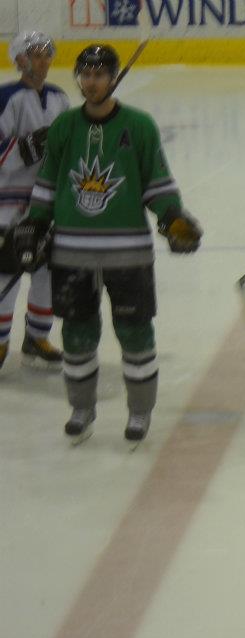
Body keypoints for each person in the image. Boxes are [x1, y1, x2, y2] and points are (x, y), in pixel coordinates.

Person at [12, 44, 201, 443]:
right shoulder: (65, 127)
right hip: (72, 252)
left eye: (100, 75)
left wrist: (172, 217)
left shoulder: (140, 126)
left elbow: (157, 184)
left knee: (135, 332)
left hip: (127, 253)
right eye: (85, 74)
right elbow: (48, 183)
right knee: (77, 335)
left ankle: (139, 412)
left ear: (113, 78)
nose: (91, 82)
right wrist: (35, 222)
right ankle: (81, 407)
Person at [0, 31, 69, 371]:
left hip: (47, 199)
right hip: (7, 201)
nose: (42, 59)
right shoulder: (6, 97)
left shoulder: (58, 97)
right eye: (35, 54)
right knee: (5, 271)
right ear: (19, 60)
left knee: (47, 269)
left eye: (46, 53)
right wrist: (24, 148)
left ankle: (37, 336)